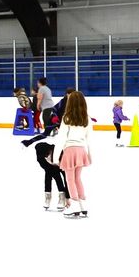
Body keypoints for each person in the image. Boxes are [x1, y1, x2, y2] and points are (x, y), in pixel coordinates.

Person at [53, 90, 91, 218]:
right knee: (77, 179)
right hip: (81, 150)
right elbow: (89, 138)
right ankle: (83, 206)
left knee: (70, 179)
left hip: (69, 150)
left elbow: (61, 138)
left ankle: (74, 207)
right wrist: (90, 154)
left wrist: (55, 156)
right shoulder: (87, 118)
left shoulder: (66, 118)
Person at [34, 141, 69, 211]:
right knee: (49, 175)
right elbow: (49, 170)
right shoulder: (40, 158)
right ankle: (48, 197)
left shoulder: (58, 151)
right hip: (51, 166)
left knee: (67, 179)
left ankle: (65, 198)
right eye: (46, 155)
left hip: (62, 163)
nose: (47, 155)